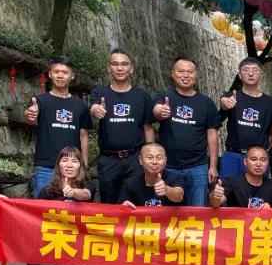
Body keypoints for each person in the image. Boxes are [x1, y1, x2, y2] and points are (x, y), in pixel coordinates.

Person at [100, 143, 184, 265]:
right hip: (143, 231)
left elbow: (179, 195)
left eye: (159, 158)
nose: (154, 162)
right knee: (118, 227)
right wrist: (124, 207)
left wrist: (167, 190)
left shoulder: (174, 177)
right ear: (140, 160)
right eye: (150, 157)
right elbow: (120, 208)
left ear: (165, 161)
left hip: (169, 230)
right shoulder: (131, 182)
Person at [209, 145, 272, 265]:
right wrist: (215, 195)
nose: (258, 164)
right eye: (254, 159)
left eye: (263, 160)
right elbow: (216, 203)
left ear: (268, 163)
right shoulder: (232, 181)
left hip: (263, 233)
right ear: (245, 162)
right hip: (239, 234)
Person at [152, 55, 220, 207]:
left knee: (198, 210)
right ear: (173, 74)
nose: (186, 75)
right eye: (181, 71)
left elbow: (212, 134)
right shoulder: (164, 97)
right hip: (168, 165)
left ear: (196, 75)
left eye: (190, 72)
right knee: (168, 211)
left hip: (197, 166)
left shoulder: (206, 103)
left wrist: (213, 166)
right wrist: (161, 111)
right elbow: (156, 110)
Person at [89, 48, 154, 205]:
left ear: (131, 69)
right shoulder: (100, 92)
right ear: (108, 68)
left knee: (139, 202)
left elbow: (148, 127)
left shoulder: (142, 95)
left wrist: (150, 155)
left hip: (135, 158)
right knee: (109, 204)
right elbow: (94, 108)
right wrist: (96, 110)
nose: (120, 68)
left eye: (124, 64)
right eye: (115, 64)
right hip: (109, 159)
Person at [23, 56, 92, 198]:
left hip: (73, 168)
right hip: (45, 167)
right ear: (50, 74)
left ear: (72, 76)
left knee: (71, 207)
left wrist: (84, 166)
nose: (60, 75)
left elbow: (83, 135)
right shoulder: (40, 101)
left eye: (65, 72)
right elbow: (30, 117)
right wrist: (29, 114)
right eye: (56, 72)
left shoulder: (81, 106)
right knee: (41, 208)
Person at [39, 147, 95, 265]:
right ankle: (64, 262)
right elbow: (30, 209)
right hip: (58, 235)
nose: (69, 165)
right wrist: (6, 202)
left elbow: (87, 194)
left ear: (80, 166)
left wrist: (74, 192)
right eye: (65, 160)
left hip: (81, 234)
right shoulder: (47, 191)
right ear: (58, 164)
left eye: (74, 161)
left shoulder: (88, 185)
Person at [219, 57, 272, 179]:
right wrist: (224, 102)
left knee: (259, 191)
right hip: (233, 156)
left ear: (261, 74)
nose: (250, 73)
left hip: (258, 158)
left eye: (255, 70)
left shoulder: (270, 102)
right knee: (227, 189)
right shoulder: (232, 96)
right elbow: (223, 103)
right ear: (239, 75)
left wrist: (265, 152)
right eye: (246, 70)